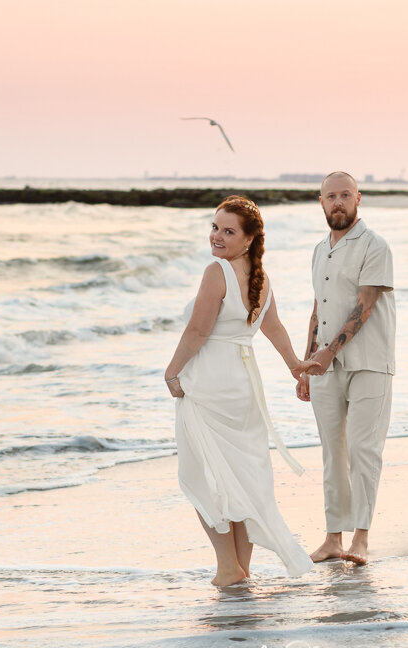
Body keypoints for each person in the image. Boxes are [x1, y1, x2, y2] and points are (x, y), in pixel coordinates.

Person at [166, 195, 316, 586]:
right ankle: (238, 568)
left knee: (204, 475)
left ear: (248, 239)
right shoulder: (260, 277)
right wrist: (296, 367)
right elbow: (274, 328)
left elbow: (198, 331)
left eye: (228, 231)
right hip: (244, 386)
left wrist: (171, 372)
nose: (217, 236)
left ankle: (227, 568)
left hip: (210, 384)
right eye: (215, 227)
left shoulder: (216, 271)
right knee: (241, 476)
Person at [296, 172, 395, 566]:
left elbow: (365, 305)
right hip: (325, 368)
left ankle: (361, 540)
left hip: (370, 363)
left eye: (344, 195)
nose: (337, 202)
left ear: (358, 199)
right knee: (332, 453)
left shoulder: (375, 246)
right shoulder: (320, 250)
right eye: (330, 196)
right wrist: (307, 364)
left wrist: (328, 351)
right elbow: (319, 309)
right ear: (320, 202)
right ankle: (333, 538)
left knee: (362, 449)